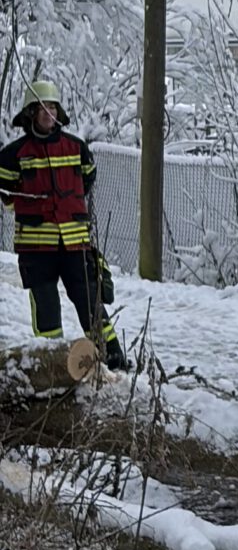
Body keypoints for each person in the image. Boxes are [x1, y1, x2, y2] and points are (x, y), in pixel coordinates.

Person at [0, 77, 129, 370]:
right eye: (43, 108)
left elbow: (86, 178)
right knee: (46, 309)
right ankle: (54, 364)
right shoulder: (12, 155)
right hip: (36, 249)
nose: (49, 114)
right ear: (31, 112)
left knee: (90, 303)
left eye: (53, 108)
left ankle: (113, 359)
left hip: (75, 244)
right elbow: (6, 195)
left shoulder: (76, 147)